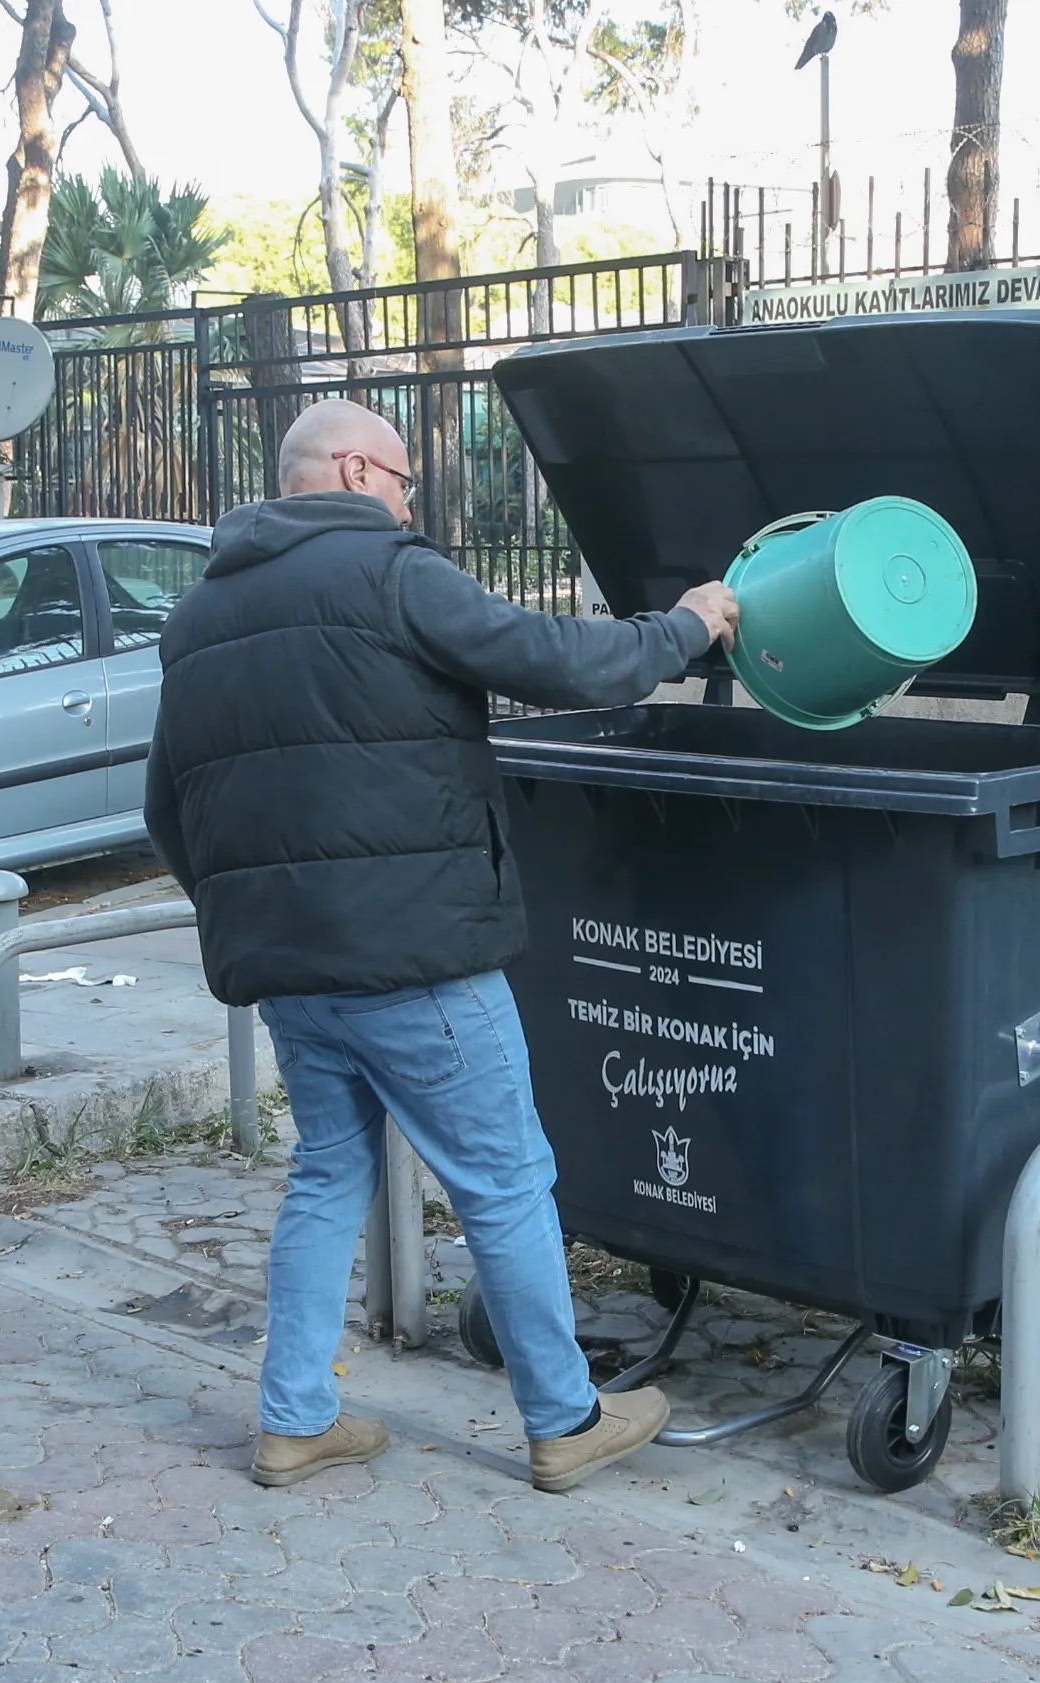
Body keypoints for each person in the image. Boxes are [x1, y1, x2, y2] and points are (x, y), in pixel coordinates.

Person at [143, 398, 741, 1492]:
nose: (414, 503)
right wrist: (688, 625)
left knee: (328, 1171)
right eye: (410, 483)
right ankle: (565, 1419)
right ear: (362, 469)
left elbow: (167, 810)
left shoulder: (196, 619)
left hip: (291, 976)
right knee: (505, 1179)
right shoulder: (387, 571)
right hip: (416, 958)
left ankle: (295, 1418)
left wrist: (264, 917)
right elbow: (557, 659)